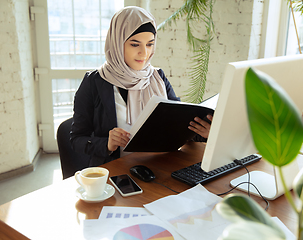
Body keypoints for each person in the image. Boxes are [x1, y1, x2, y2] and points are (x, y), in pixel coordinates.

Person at [70, 6, 213, 166]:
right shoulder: (94, 82)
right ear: (117, 42)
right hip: (117, 169)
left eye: (150, 44)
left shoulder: (158, 77)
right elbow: (77, 139)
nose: (144, 53)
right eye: (135, 44)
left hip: (160, 165)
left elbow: (179, 127)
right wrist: (107, 143)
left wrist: (206, 133)